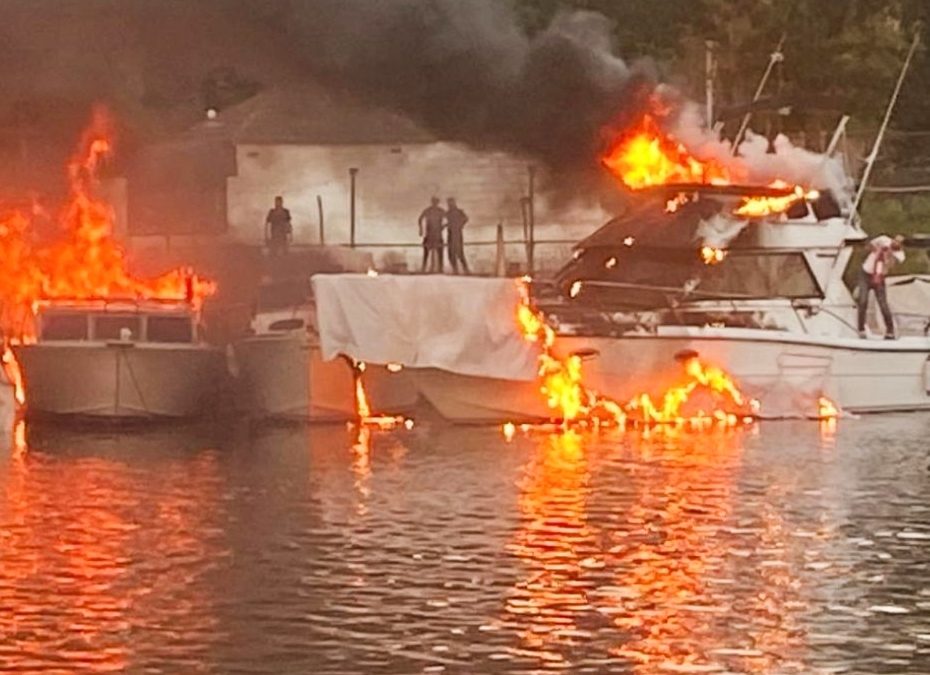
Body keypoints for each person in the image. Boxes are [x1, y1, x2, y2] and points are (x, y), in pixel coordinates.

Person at [857, 234, 905, 339]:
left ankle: (890, 330)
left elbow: (891, 264)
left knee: (883, 304)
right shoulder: (883, 239)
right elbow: (868, 246)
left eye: (898, 243)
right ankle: (861, 328)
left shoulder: (900, 255)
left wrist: (888, 253)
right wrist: (877, 248)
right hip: (866, 273)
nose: (895, 243)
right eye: (895, 240)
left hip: (879, 277)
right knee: (863, 300)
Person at [418, 197, 445, 273]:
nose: (434, 204)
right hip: (429, 235)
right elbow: (420, 219)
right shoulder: (428, 210)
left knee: (440, 252)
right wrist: (420, 229)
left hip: (438, 235)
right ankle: (423, 268)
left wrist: (444, 226)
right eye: (433, 202)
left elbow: (449, 219)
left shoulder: (441, 211)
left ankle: (440, 269)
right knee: (426, 252)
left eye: (436, 202)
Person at [445, 197, 470, 275]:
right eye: (449, 203)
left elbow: (465, 219)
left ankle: (465, 269)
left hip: (457, 234)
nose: (449, 204)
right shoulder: (448, 213)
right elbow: (449, 222)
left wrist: (460, 225)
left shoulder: (459, 212)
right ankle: (455, 269)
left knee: (459, 253)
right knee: (451, 253)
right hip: (451, 233)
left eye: (451, 202)